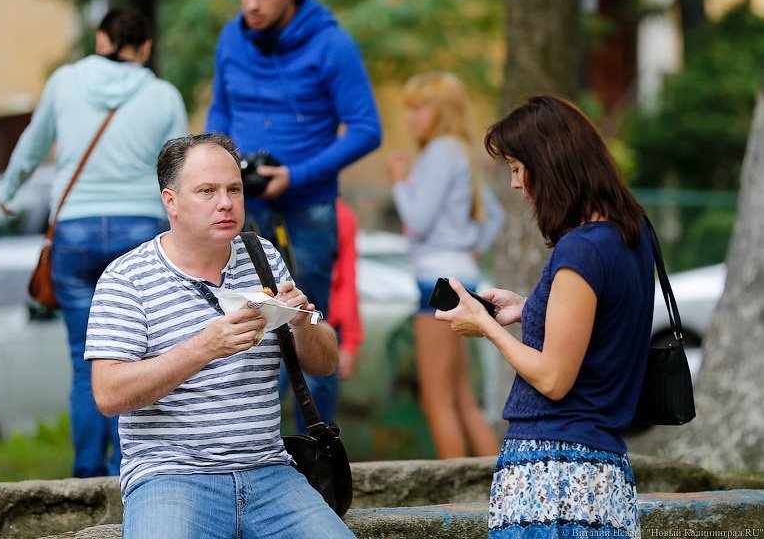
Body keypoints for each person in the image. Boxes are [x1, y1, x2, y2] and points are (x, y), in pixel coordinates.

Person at [86, 133, 354, 539]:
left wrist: (302, 322)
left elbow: (326, 362)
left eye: (234, 189)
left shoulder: (263, 257)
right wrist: (203, 348)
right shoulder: (127, 278)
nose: (225, 203)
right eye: (207, 191)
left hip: (270, 472)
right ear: (171, 201)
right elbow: (108, 394)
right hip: (171, 476)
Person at [436, 93, 653, 537]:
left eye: (518, 168)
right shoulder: (631, 233)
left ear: (550, 164)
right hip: (603, 475)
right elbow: (599, 324)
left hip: (553, 474)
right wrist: (528, 308)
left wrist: (485, 326)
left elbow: (554, 379)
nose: (515, 184)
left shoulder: (581, 249)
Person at [0, 8, 188, 478]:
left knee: (86, 364)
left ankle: (85, 473)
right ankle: (129, 471)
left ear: (101, 39)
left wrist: (7, 192)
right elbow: (183, 167)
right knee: (137, 360)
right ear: (145, 48)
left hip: (74, 233)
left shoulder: (64, 82)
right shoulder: (163, 95)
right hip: (139, 234)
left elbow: (33, 144)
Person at [205, 0, 382, 331]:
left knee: (308, 322)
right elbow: (221, 108)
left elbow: (367, 129)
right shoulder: (230, 38)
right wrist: (216, 163)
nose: (252, 4)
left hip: (308, 206)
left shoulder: (333, 45)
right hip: (243, 202)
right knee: (244, 322)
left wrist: (295, 175)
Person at [387, 71, 504, 459]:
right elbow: (494, 216)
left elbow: (418, 220)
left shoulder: (440, 151)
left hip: (436, 280)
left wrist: (399, 181)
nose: (410, 117)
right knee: (462, 399)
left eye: (420, 108)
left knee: (437, 400)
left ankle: (455, 490)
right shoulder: (461, 151)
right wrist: (470, 250)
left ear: (442, 111)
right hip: (460, 275)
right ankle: (497, 483)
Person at [278, 197, 364, 432]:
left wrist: (350, 341)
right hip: (275, 327)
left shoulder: (337, 214)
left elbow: (347, 278)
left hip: (319, 325)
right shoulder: (263, 209)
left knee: (316, 427)